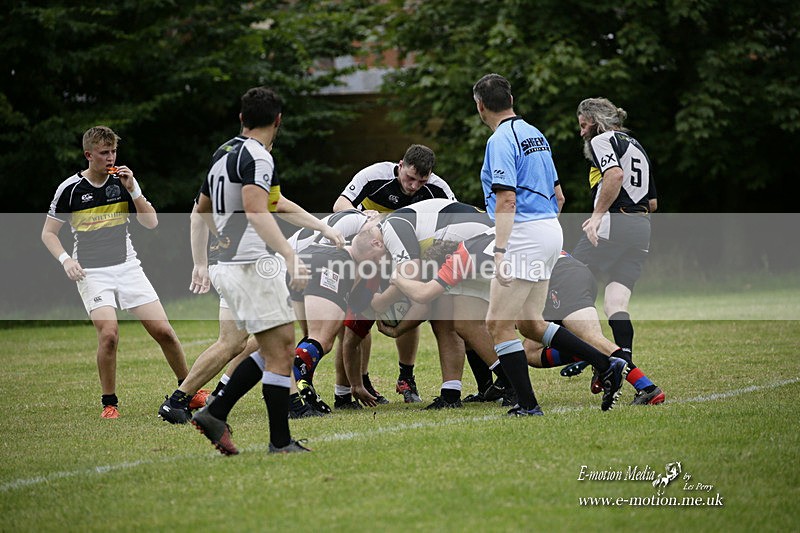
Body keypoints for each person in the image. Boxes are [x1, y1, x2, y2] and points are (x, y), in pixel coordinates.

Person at [190, 86, 343, 455]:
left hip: (232, 265)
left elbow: (201, 211)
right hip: (251, 267)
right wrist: (290, 256)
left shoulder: (222, 153)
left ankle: (219, 412)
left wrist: (206, 257)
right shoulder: (259, 158)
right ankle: (275, 440)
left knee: (280, 347)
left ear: (242, 119)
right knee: (280, 351)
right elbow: (258, 211)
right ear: (278, 120)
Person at [472, 73, 628, 415]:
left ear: (480, 105)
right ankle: (606, 363)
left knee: (497, 324)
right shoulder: (535, 133)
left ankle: (527, 405)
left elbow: (507, 200)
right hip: (548, 231)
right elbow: (558, 195)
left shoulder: (499, 140)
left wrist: (500, 250)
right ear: (511, 99)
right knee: (531, 324)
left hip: (524, 234)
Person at [42, 125, 201, 419]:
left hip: (128, 266)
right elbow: (48, 233)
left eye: (113, 151)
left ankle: (188, 390)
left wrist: (134, 189)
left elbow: (151, 223)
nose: (111, 157)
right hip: (92, 272)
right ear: (88, 155)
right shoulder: (70, 189)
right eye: (104, 153)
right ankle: (110, 403)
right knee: (110, 335)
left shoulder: (123, 182)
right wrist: (66, 260)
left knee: (164, 331)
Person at [399, 234, 664, 405]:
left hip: (559, 276)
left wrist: (396, 278)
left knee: (593, 339)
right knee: (529, 348)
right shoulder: (482, 244)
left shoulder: (460, 258)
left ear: (446, 258)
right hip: (563, 271)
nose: (446, 279)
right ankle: (583, 356)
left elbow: (424, 294)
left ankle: (647, 387)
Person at [158, 202, 353, 424]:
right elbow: (279, 204)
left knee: (232, 342)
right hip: (251, 265)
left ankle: (177, 401)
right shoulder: (253, 167)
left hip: (224, 264)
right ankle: (292, 408)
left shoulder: (217, 171)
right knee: (279, 340)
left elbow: (198, 212)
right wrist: (321, 229)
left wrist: (200, 263)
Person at [333, 145, 457, 405]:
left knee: (410, 305)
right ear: (400, 165)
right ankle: (355, 383)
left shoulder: (438, 188)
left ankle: (406, 377)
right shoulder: (374, 175)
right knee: (356, 321)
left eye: (421, 181)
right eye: (409, 178)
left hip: (410, 259)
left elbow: (452, 221)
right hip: (371, 256)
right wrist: (361, 214)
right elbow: (339, 205)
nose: (413, 186)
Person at [367, 198, 495, 409]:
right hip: (483, 237)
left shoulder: (391, 225)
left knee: (449, 321)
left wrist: (380, 303)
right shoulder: (415, 231)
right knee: (462, 322)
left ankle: (505, 383)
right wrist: (399, 328)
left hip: (470, 239)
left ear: (375, 242)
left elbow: (413, 278)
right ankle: (478, 389)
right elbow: (425, 301)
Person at [567, 97, 657, 379]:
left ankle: (592, 353)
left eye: (583, 125)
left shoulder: (603, 139)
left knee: (566, 281)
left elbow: (614, 175)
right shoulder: (635, 145)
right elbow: (652, 202)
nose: (581, 132)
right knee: (615, 305)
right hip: (642, 226)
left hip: (615, 222)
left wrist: (597, 216)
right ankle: (626, 367)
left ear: (595, 122)